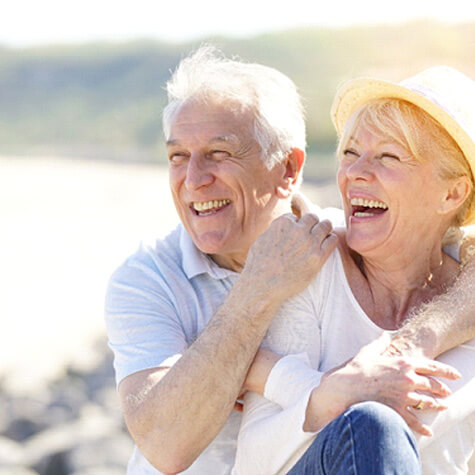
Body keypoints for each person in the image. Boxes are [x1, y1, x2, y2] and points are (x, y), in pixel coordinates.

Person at [104, 47, 475, 474]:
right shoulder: (146, 278)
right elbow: (166, 446)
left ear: (288, 170)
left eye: (219, 153)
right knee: (373, 425)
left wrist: (408, 345)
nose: (193, 180)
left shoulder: (331, 251)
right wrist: (258, 291)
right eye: (177, 157)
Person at [233, 66, 475, 474]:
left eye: (388, 156)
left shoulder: (465, 297)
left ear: (451, 193)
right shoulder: (314, 264)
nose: (355, 172)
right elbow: (254, 462)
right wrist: (333, 395)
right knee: (373, 426)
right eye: (350, 153)